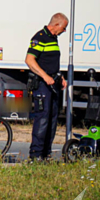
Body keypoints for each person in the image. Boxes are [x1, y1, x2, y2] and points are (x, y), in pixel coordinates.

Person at [25, 13, 68, 161]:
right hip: (43, 85)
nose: (64, 31)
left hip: (53, 84)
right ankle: (36, 154)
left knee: (52, 119)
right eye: (63, 28)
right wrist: (45, 76)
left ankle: (45, 154)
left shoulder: (53, 38)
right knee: (42, 119)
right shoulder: (40, 38)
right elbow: (29, 60)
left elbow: (51, 62)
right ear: (56, 24)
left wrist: (60, 76)